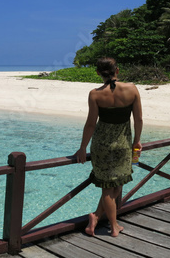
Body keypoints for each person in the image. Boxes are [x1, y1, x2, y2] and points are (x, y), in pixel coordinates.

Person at [74, 57, 142, 237]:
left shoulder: (95, 94)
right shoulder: (132, 89)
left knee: (113, 185)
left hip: (101, 145)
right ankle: (114, 227)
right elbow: (139, 119)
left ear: (98, 73)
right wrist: (137, 141)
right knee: (112, 186)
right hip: (124, 144)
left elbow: (90, 124)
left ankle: (95, 218)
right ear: (117, 71)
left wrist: (82, 147)